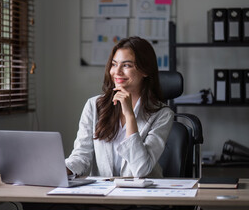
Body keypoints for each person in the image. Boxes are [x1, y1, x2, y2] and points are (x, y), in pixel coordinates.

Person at [65, 36, 174, 178]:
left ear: (145, 70)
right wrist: (62, 168)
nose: (117, 72)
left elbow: (141, 169)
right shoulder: (94, 106)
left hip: (142, 196)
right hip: (104, 195)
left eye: (127, 65)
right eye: (114, 64)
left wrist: (129, 116)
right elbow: (81, 156)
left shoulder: (162, 114)